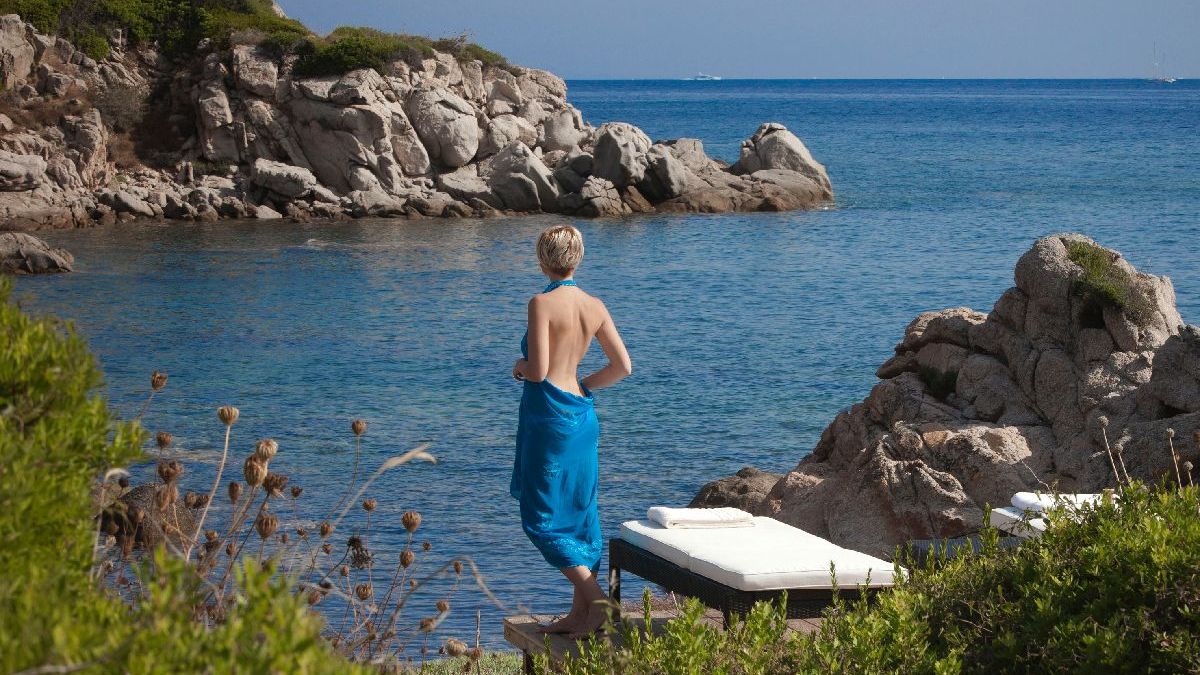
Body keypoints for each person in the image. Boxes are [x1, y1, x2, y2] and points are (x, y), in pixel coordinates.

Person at [510, 224, 632, 638]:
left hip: (549, 418)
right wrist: (584, 385)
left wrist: (520, 367)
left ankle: (600, 606)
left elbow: (539, 370)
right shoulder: (594, 305)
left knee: (541, 517)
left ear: (542, 259)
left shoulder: (541, 303)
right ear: (578, 258)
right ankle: (580, 615)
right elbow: (623, 367)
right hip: (581, 414)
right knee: (580, 512)